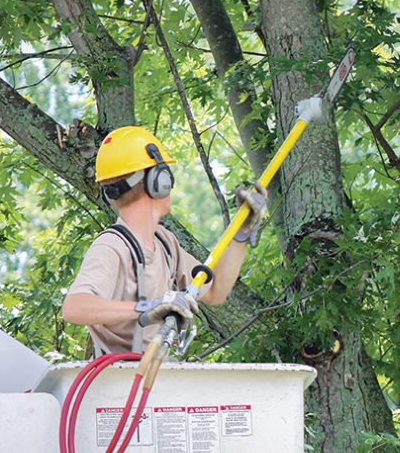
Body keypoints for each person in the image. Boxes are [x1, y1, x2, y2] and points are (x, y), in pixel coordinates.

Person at [62, 126, 266, 355]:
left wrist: (241, 235)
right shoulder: (112, 247)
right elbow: (74, 307)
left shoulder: (164, 243)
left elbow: (215, 291)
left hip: (159, 378)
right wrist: (147, 307)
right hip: (121, 381)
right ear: (157, 182)